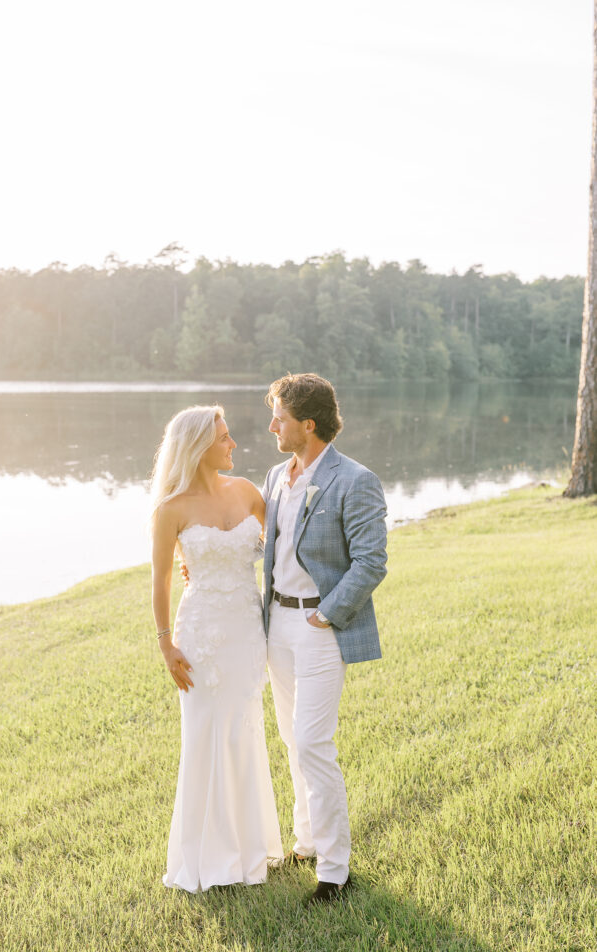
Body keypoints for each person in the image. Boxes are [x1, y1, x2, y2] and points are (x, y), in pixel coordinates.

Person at [262, 373, 387, 905]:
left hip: (319, 629)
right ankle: (307, 842)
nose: (272, 427)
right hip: (277, 627)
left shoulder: (355, 479)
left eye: (280, 419)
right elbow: (269, 550)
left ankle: (335, 871)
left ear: (307, 425)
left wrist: (325, 616)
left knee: (314, 742)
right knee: (292, 740)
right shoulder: (275, 476)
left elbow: (371, 562)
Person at [150, 405, 283, 892]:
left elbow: (282, 550)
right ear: (200, 447)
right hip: (201, 635)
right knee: (206, 736)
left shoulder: (249, 493)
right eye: (224, 438)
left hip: (247, 630)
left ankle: (251, 847)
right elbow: (160, 582)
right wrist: (166, 646)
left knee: (243, 733)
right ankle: (207, 856)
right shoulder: (170, 510)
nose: (233, 445)